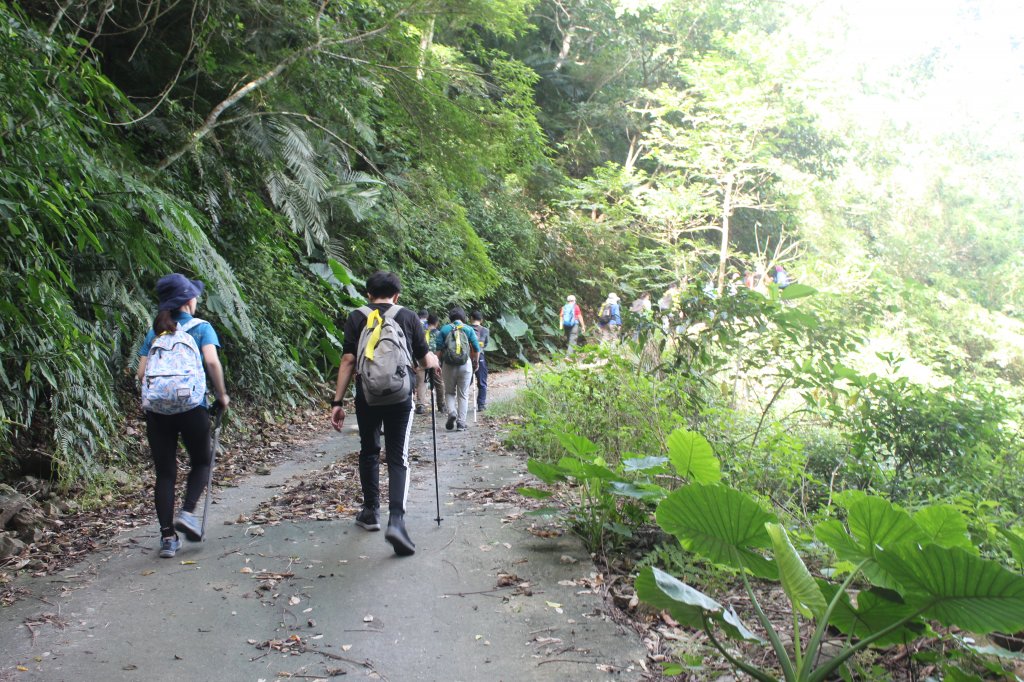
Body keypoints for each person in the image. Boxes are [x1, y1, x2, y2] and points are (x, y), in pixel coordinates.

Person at [330, 271, 440, 556]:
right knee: (397, 456)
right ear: (397, 295)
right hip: (401, 397)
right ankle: (397, 521)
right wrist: (434, 361)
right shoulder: (408, 316)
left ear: (368, 294)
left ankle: (370, 512)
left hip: (366, 396)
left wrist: (337, 402)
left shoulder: (357, 316)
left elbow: (347, 360)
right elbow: (423, 357)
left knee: (368, 449)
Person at [136, 274, 230, 559]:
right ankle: (187, 513)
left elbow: (141, 374)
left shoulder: (156, 331)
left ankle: (167, 538)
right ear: (189, 300)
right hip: (192, 408)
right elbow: (212, 361)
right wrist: (222, 395)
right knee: (202, 461)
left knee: (165, 473)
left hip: (158, 413)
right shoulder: (202, 328)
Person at [435, 307, 481, 432]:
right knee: (463, 394)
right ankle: (461, 423)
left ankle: (452, 412)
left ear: (450, 317)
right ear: (463, 317)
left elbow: (438, 349)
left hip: (448, 365)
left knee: (449, 392)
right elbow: (477, 348)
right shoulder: (468, 329)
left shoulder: (444, 329)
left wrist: (436, 364)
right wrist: (475, 362)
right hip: (465, 365)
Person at [470, 310, 490, 412]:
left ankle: (461, 404)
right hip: (480, 357)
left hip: (467, 358)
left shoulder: (466, 329)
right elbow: (486, 344)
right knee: (482, 382)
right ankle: (481, 405)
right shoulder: (485, 330)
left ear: (471, 318)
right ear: (481, 320)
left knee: (464, 383)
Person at [413, 309, 430, 415]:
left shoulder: (412, 323)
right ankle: (420, 404)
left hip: (410, 357)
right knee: (421, 382)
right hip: (423, 357)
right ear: (427, 317)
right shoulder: (428, 326)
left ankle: (409, 402)